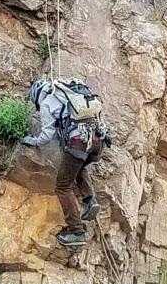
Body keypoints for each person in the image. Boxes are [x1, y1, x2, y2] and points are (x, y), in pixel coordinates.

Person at [21, 78, 111, 248]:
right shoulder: (70, 94)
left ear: (36, 95)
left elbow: (47, 134)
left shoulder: (47, 102)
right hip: (98, 141)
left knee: (62, 187)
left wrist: (33, 141)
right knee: (77, 166)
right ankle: (90, 200)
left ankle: (76, 231)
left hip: (79, 141)